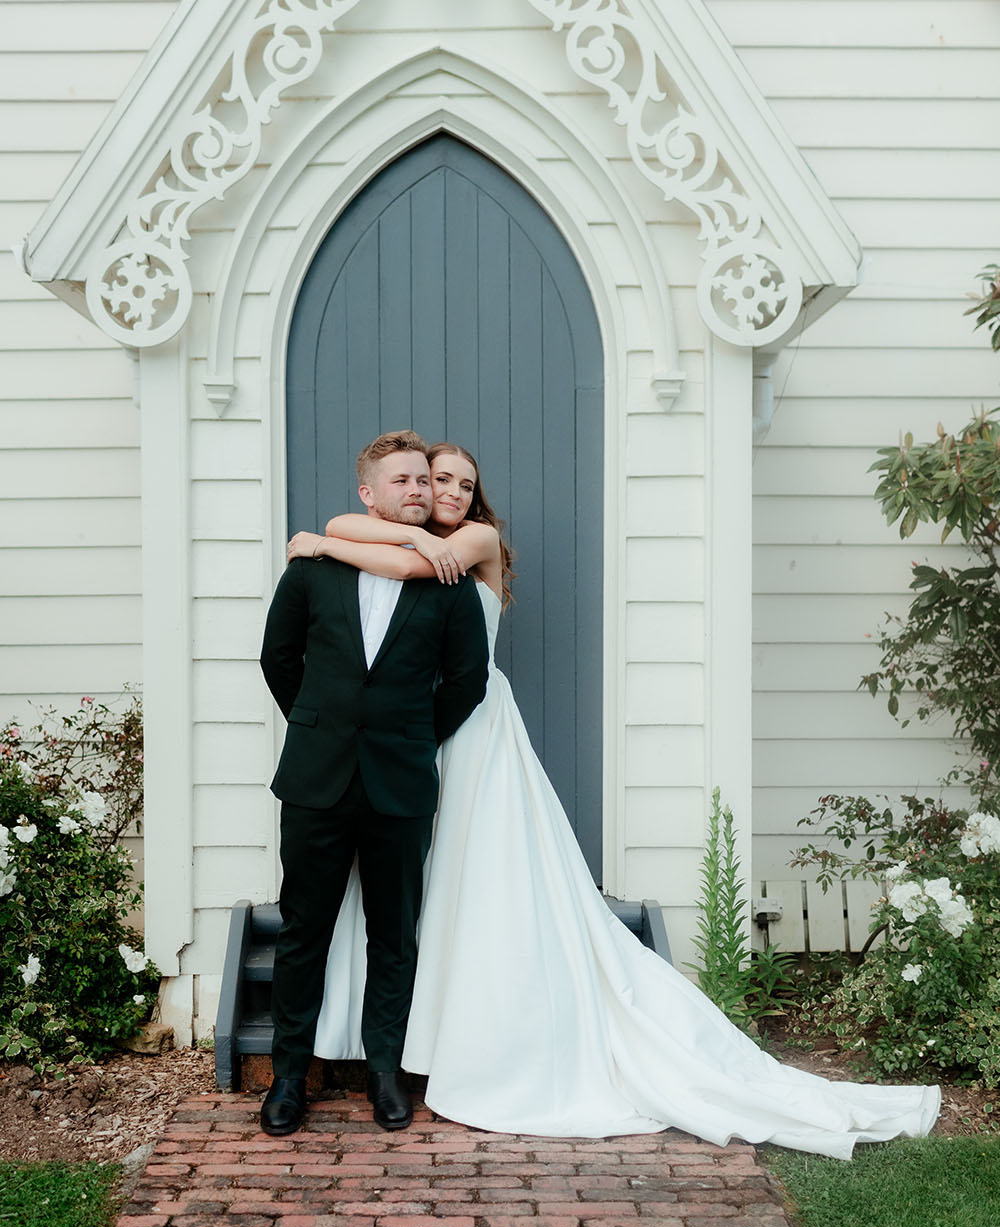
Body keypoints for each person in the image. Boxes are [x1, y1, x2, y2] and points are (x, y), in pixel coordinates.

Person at [287, 444, 941, 1160]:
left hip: (464, 731)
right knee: (420, 889)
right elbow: (346, 541)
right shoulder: (402, 538)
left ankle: (464, 1044)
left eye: (459, 483)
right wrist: (364, 533)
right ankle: (405, 1039)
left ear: (476, 498)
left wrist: (338, 541)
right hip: (387, 749)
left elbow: (397, 565)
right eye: (433, 479)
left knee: (476, 875)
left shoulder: (468, 545)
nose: (443, 491)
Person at [258, 431, 489, 1137]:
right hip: (316, 780)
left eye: (426, 480)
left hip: (400, 782)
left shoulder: (447, 581)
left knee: (395, 936)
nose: (420, 490)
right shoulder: (312, 569)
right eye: (403, 481)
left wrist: (412, 736)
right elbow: (278, 657)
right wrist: (320, 723)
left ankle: (386, 1075)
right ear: (368, 493)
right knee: (304, 932)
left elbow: (466, 682)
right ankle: (289, 1077)